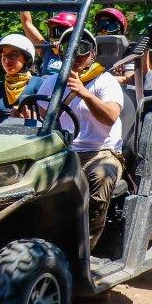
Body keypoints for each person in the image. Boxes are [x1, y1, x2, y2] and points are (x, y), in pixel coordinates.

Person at [35, 30, 125, 249]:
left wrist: (84, 92)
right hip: (63, 151)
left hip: (102, 152)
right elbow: (43, 117)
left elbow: (111, 116)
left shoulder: (106, 81)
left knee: (101, 177)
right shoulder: (51, 83)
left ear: (92, 54)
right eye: (69, 49)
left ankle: (84, 251)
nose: (75, 55)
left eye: (82, 49)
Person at [0, 34, 40, 125]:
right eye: (3, 55)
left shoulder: (39, 84)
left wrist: (29, 119)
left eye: (13, 55)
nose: (7, 60)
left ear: (26, 58)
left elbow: (48, 120)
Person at [93, 7, 134, 84]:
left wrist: (101, 79)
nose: (104, 30)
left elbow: (129, 78)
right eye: (100, 24)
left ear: (120, 28)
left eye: (110, 25)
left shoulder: (128, 50)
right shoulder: (91, 49)